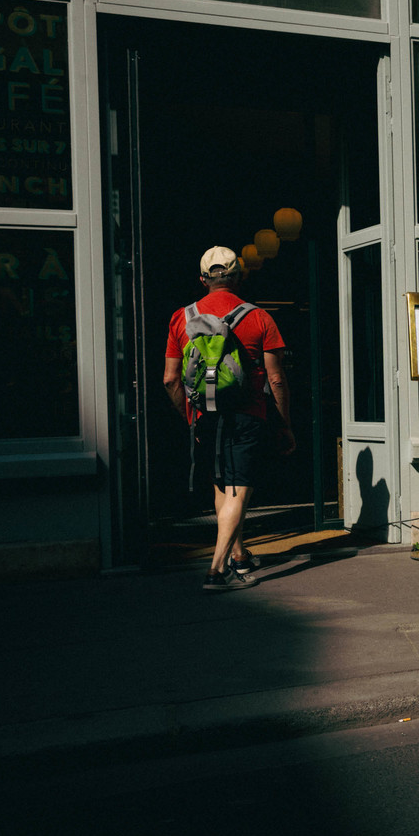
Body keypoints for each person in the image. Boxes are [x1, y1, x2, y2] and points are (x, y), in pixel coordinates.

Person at [163, 246, 295, 592]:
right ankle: (217, 571)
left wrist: (190, 415)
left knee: (223, 486)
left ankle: (238, 556)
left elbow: (170, 379)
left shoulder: (183, 317)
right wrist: (283, 424)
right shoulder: (258, 317)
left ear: (203, 279)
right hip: (246, 415)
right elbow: (276, 378)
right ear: (238, 276)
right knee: (239, 491)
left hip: (205, 415)